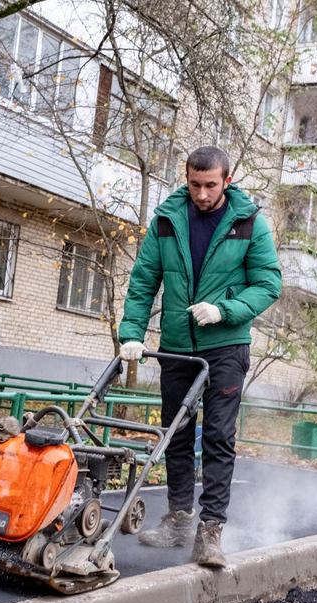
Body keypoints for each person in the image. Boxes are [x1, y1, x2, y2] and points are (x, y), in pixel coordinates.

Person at [118, 146, 282, 567]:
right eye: (195, 185)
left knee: (217, 438)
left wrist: (224, 311)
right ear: (186, 178)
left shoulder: (249, 224)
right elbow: (143, 281)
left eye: (211, 185)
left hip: (225, 347)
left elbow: (267, 284)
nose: (202, 194)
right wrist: (133, 334)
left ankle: (210, 531)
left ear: (227, 181)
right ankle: (178, 519)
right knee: (174, 433)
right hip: (176, 347)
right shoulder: (168, 221)